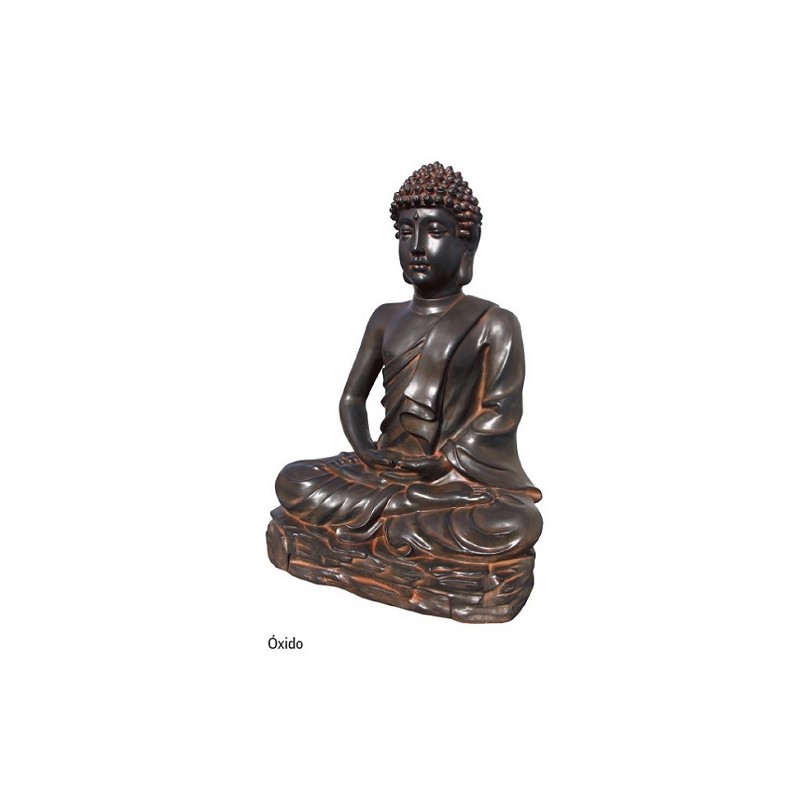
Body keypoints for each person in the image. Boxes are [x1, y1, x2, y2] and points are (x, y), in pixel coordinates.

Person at [274, 162, 542, 558]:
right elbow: (352, 399)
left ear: (469, 241)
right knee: (294, 480)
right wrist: (366, 452)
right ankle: (408, 512)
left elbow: (500, 413)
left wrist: (444, 463)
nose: (416, 246)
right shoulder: (385, 317)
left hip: (451, 476)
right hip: (384, 469)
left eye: (435, 231)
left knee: (515, 521)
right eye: (404, 232)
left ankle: (398, 515)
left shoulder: (494, 323)